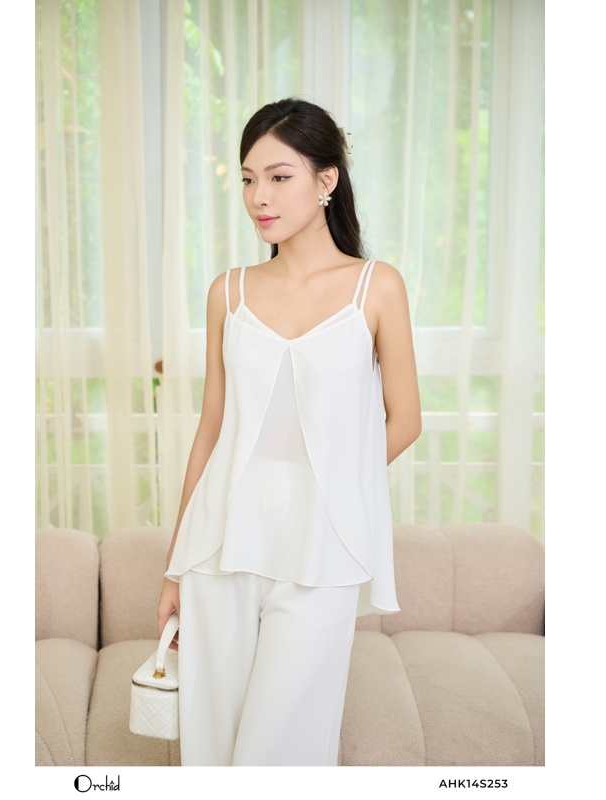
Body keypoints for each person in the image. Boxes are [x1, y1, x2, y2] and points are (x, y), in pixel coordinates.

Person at [156, 97, 421, 766]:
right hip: (221, 542)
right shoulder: (229, 292)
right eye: (249, 179)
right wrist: (176, 566)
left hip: (321, 544)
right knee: (212, 746)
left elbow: (406, 420)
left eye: (279, 177)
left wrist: (329, 487)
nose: (259, 197)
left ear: (326, 180)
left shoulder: (376, 287)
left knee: (283, 750)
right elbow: (211, 430)